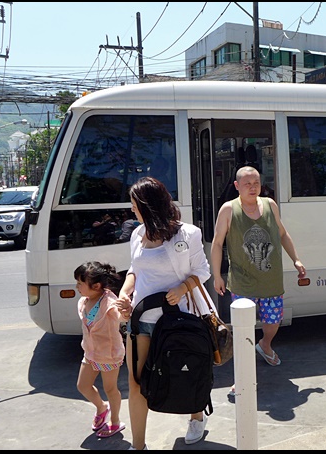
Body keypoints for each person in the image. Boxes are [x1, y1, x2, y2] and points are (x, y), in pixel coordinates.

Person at [115, 176, 212, 450]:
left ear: (148, 205)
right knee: (136, 383)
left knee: (187, 372)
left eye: (135, 205)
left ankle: (196, 416)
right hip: (142, 319)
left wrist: (182, 287)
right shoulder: (137, 234)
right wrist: (125, 291)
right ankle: (138, 446)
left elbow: (202, 271)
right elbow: (135, 269)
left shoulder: (188, 233)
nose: (132, 210)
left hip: (179, 320)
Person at [211, 166, 306, 373]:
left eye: (256, 183)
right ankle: (243, 375)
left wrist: (296, 260)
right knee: (243, 328)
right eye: (247, 184)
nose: (252, 188)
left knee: (273, 323)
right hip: (242, 281)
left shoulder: (270, 205)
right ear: (237, 186)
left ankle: (265, 344)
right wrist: (217, 275)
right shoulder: (228, 209)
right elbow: (217, 243)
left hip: (271, 280)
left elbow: (282, 234)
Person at [74, 261, 126, 439]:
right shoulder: (85, 300)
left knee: (110, 389)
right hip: (90, 353)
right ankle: (102, 407)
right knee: (83, 385)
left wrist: (126, 311)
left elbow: (120, 316)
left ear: (96, 286)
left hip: (109, 355)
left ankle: (116, 422)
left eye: (80, 283)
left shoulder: (109, 302)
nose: (77, 287)